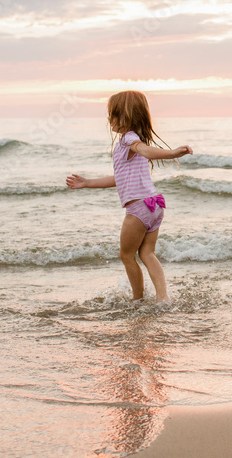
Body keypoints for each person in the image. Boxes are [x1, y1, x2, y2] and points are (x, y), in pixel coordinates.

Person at [67, 90, 193, 306]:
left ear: (126, 116)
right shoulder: (129, 144)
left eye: (113, 114)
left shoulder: (129, 140)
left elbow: (145, 150)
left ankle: (138, 300)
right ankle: (163, 299)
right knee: (147, 253)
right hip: (154, 205)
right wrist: (87, 183)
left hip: (138, 209)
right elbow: (119, 178)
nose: (109, 119)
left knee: (126, 256)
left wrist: (172, 154)